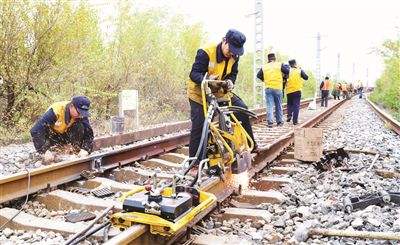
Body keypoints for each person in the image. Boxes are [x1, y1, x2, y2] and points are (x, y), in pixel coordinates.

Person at [187, 29, 258, 164]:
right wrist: (207, 79)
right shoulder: (206, 52)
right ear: (224, 41)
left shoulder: (235, 56)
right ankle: (196, 163)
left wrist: (231, 81)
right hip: (199, 93)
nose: (232, 54)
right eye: (230, 50)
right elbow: (194, 73)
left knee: (241, 109)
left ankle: (250, 145)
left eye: (236, 51)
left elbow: (233, 73)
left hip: (220, 91)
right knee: (201, 124)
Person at [30, 96, 94, 162]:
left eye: (83, 113)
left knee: (80, 126)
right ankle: (53, 149)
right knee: (43, 132)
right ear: (71, 106)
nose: (80, 115)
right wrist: (44, 151)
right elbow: (35, 130)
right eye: (79, 112)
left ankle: (73, 150)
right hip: (52, 137)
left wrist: (86, 149)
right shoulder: (56, 110)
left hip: (65, 136)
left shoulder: (81, 115)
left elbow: (89, 133)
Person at [257, 53, 290, 127]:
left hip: (268, 88)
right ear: (275, 59)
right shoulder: (279, 64)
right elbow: (287, 71)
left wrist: (264, 79)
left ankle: (270, 122)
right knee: (278, 105)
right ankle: (279, 122)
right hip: (278, 87)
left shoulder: (264, 67)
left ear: (268, 59)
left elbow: (258, 75)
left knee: (269, 106)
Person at [285, 59, 308, 125]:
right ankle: (295, 121)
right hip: (297, 90)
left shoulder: (288, 71)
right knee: (296, 105)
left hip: (289, 91)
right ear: (295, 64)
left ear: (289, 65)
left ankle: (289, 115)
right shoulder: (299, 70)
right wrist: (301, 70)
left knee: (289, 104)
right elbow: (306, 77)